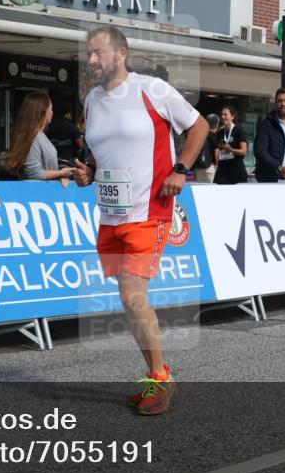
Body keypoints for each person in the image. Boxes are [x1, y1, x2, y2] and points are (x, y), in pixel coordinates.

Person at [72, 25, 209, 416]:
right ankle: (156, 372)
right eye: (89, 53)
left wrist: (181, 169)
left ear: (121, 53)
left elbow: (199, 126)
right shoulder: (92, 101)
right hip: (110, 213)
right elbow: (102, 154)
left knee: (133, 295)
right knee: (128, 299)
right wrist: (89, 173)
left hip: (150, 209)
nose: (92, 60)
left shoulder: (152, 90)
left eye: (98, 52)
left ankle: (160, 378)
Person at [1, 92, 77, 183]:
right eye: (51, 108)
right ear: (43, 111)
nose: (52, 112)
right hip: (37, 191)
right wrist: (60, 173)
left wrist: (60, 177)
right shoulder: (33, 137)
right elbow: (34, 174)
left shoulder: (38, 135)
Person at [213, 105, 249, 184]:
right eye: (221, 114)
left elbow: (243, 151)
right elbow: (218, 149)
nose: (223, 117)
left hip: (236, 171)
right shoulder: (220, 132)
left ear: (232, 116)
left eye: (225, 114)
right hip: (223, 170)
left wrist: (231, 150)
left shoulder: (239, 130)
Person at [193, 114, 220, 183]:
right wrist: (217, 165)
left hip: (198, 167)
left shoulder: (199, 134)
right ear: (216, 125)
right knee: (209, 188)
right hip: (209, 168)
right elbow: (216, 155)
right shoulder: (214, 136)